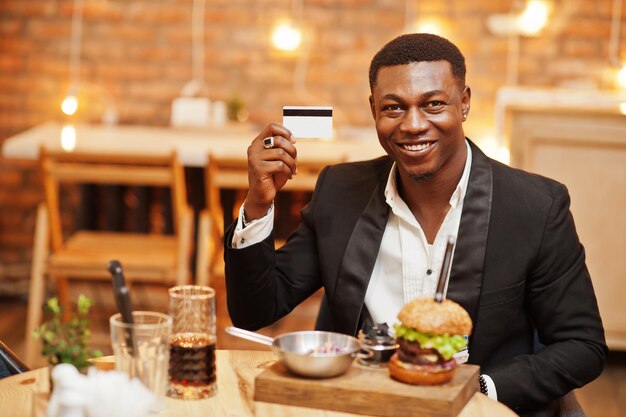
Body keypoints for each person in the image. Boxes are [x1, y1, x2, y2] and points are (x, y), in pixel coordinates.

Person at [224, 33, 607, 416]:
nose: (412, 124)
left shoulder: (535, 206)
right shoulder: (340, 192)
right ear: (374, 109)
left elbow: (581, 345)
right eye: (393, 108)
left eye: (433, 104)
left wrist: (478, 390)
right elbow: (255, 310)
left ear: (465, 102)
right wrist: (258, 204)